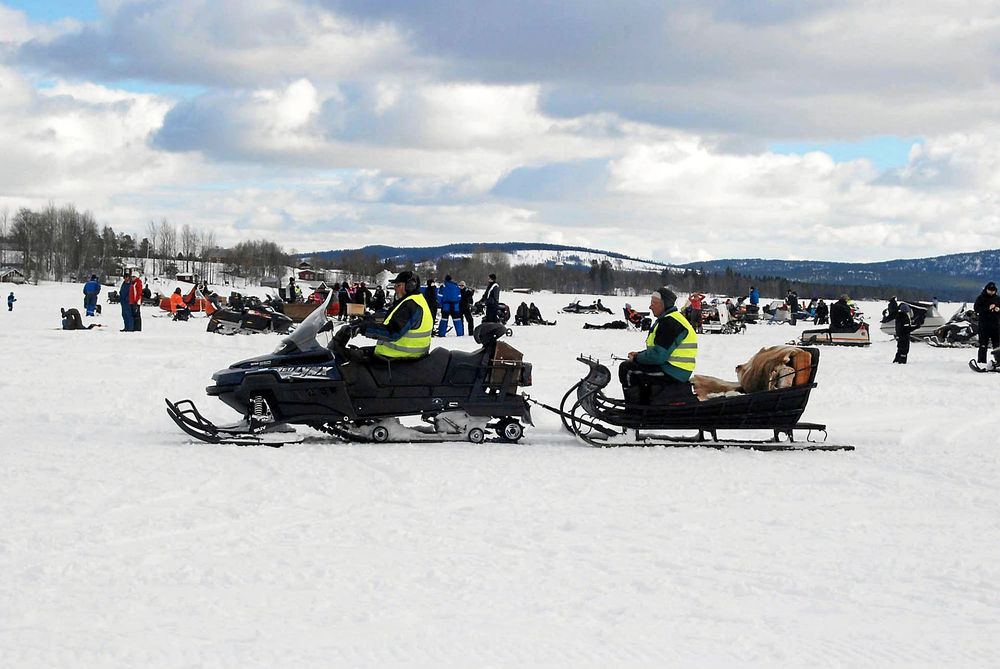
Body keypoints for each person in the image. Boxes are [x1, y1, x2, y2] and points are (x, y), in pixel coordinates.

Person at [619, 287, 698, 403]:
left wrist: (637, 358)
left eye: (653, 303)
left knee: (627, 369)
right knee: (636, 368)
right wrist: (639, 355)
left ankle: (635, 410)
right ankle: (647, 402)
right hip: (674, 368)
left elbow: (658, 356)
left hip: (673, 371)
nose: (650, 307)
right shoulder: (671, 319)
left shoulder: (670, 322)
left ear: (664, 304)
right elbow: (658, 350)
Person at [357, 271, 432, 361]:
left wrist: (362, 328)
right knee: (359, 353)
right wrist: (368, 319)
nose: (395, 288)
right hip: (407, 355)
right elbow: (390, 317)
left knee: (357, 362)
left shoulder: (410, 305)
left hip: (401, 357)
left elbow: (393, 332)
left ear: (409, 286)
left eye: (398, 285)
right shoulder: (414, 300)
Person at [974, 281, 1000, 366]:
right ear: (986, 289)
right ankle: (981, 362)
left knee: (997, 345)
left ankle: (998, 361)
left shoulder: (998, 299)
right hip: (984, 325)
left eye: (993, 290)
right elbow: (977, 309)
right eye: (990, 290)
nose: (992, 292)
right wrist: (987, 308)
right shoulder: (981, 298)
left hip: (996, 325)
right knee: (983, 345)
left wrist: (998, 310)